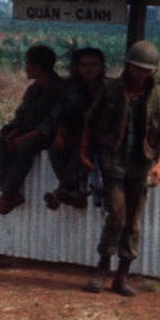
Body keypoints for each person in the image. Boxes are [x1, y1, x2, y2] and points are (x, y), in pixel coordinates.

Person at [81, 40, 160, 297]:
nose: (140, 74)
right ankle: (102, 269)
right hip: (113, 162)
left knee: (133, 223)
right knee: (117, 216)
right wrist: (84, 151)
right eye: (135, 68)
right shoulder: (110, 90)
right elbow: (90, 121)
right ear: (127, 66)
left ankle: (122, 276)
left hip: (141, 164)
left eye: (145, 70)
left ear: (153, 71)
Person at [0, 45, 63, 215]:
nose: (25, 68)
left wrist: (22, 138)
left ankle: (7, 195)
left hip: (50, 135)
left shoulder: (60, 89)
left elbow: (51, 123)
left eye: (28, 64)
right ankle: (10, 193)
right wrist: (13, 132)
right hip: (29, 132)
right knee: (1, 144)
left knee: (26, 147)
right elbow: (22, 115)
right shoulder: (33, 90)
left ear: (38, 67)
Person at [45, 47, 107, 210]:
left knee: (81, 147)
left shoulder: (109, 88)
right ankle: (74, 192)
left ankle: (62, 190)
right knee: (55, 149)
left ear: (102, 66)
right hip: (77, 133)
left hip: (102, 135)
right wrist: (60, 134)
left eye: (93, 65)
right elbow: (64, 113)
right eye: (83, 65)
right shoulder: (71, 88)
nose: (88, 69)